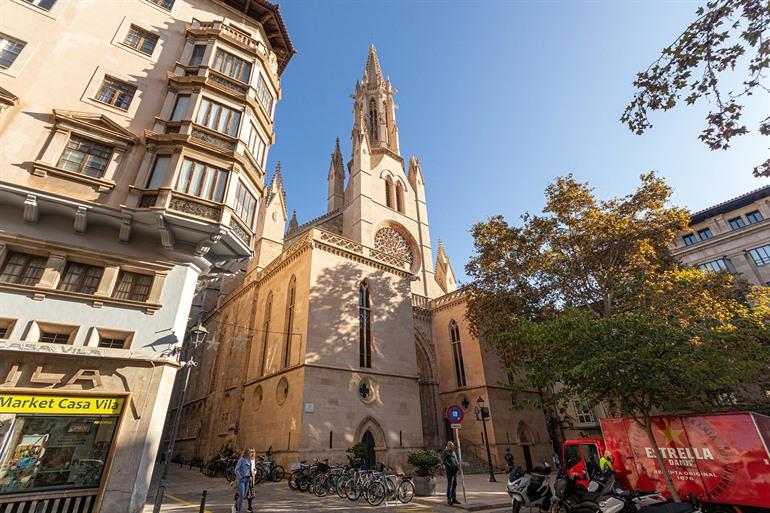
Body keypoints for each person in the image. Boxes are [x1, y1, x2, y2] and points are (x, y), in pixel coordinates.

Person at [234, 448, 255, 513]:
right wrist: (240, 477)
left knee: (243, 496)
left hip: (247, 479)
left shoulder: (249, 460)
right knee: (242, 496)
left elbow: (250, 469)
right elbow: (236, 470)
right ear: (246, 453)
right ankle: (239, 511)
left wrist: (252, 475)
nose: (251, 453)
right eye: (250, 452)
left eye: (251, 452)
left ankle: (235, 505)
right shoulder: (241, 459)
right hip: (241, 480)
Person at [442, 441, 460, 506]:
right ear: (449, 446)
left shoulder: (454, 452)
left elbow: (456, 460)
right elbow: (445, 461)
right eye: (452, 446)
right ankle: (449, 499)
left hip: (455, 470)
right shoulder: (445, 452)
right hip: (449, 471)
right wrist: (450, 466)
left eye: (453, 445)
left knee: (455, 484)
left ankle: (454, 498)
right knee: (450, 484)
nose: (453, 446)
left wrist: (457, 465)